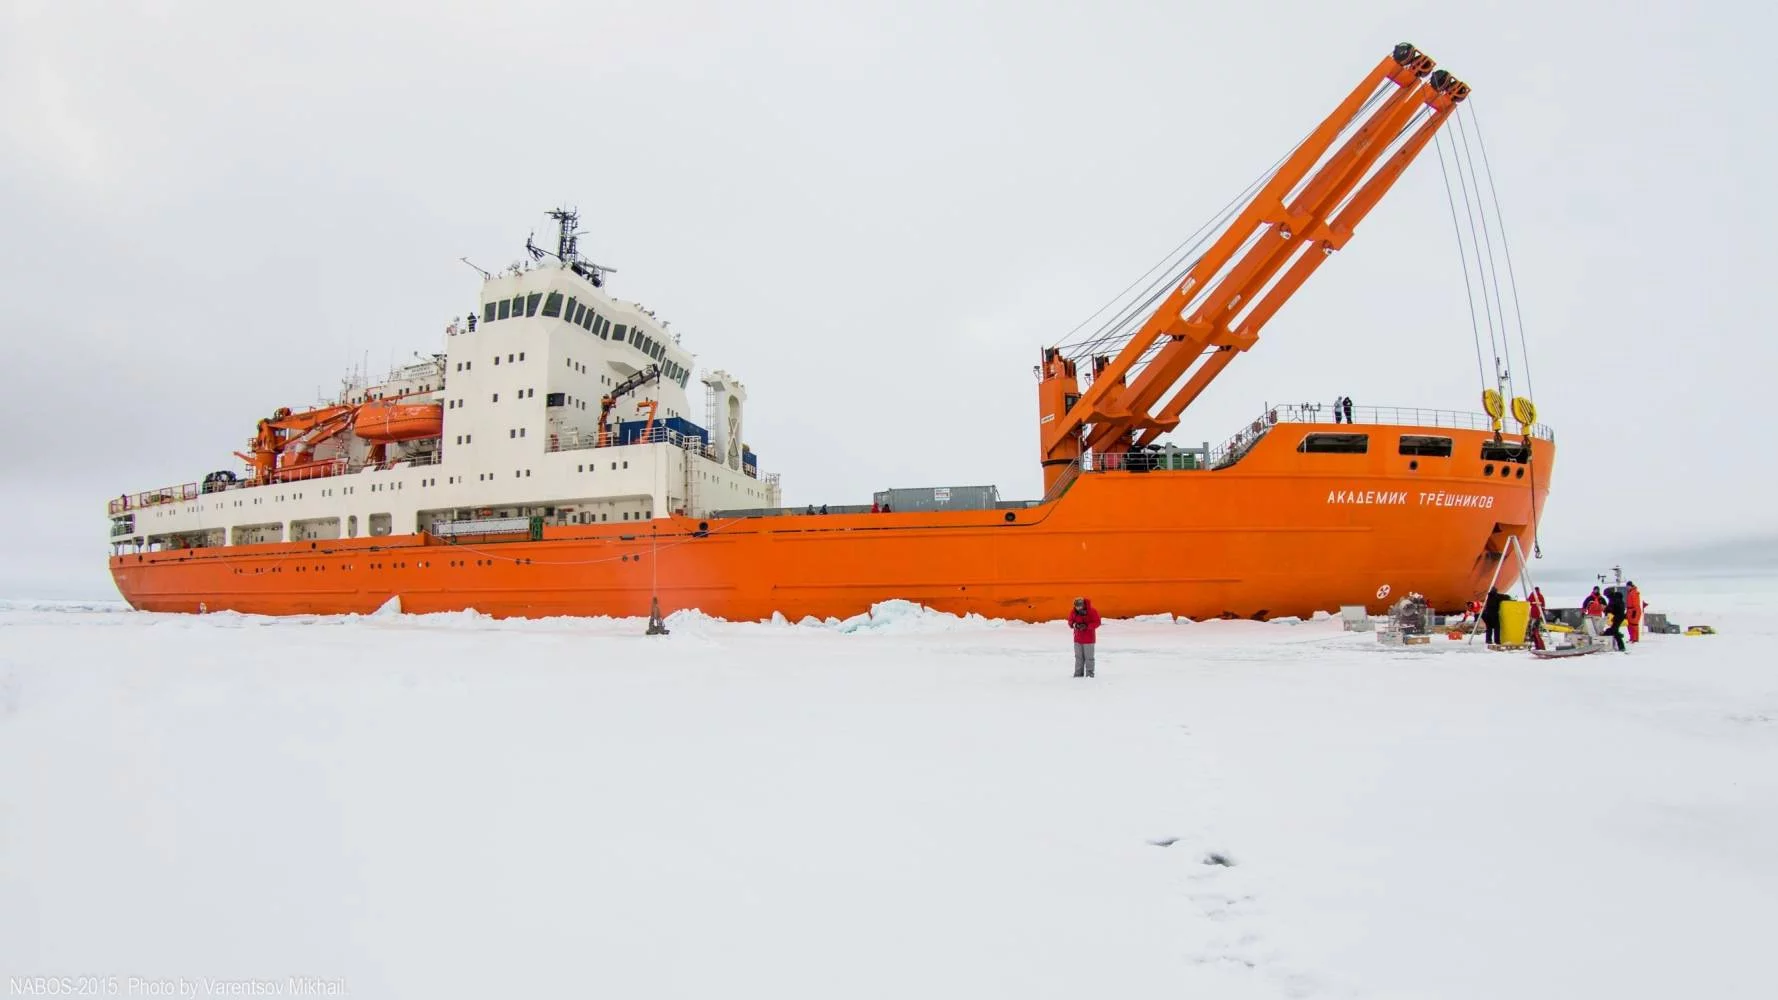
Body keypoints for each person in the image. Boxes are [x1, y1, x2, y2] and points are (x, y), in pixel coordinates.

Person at [1067, 597, 1101, 678]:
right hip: (1077, 639)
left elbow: (1097, 622)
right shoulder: (1073, 612)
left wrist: (1086, 626)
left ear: (1083, 605)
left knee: (1089, 658)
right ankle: (1078, 674)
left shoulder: (1092, 611)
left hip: (1089, 639)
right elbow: (1070, 621)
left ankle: (1090, 674)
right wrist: (1075, 625)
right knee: (1078, 658)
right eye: (1076, 606)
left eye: (1079, 606)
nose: (1077, 608)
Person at [1604, 586, 1628, 652]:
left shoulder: (1613, 599)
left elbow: (1612, 608)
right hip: (1619, 617)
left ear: (1609, 594)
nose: (1606, 597)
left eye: (1606, 595)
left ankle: (1621, 647)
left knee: (1614, 631)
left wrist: (1607, 610)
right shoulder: (1615, 599)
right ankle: (1617, 644)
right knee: (1613, 630)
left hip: (1618, 617)